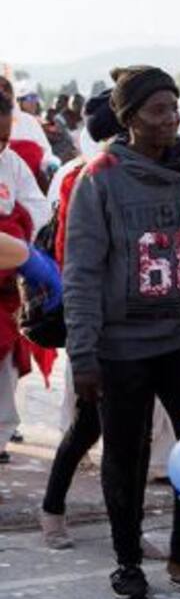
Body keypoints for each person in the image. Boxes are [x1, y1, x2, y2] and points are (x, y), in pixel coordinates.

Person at [64, 65, 180, 599]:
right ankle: (127, 560)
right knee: (126, 454)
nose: (170, 120)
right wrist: (84, 354)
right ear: (130, 116)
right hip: (122, 347)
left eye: (173, 107)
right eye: (157, 110)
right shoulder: (102, 177)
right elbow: (83, 273)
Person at [38, 90, 125, 545]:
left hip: (136, 321)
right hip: (97, 318)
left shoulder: (149, 169)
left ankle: (124, 528)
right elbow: (72, 256)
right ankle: (53, 510)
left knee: (128, 431)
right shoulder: (84, 175)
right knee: (90, 422)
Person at [0, 89, 52, 464]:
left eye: (4, 137)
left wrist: (17, 235)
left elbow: (36, 210)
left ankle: (1, 434)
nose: (0, 145)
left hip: (5, 283)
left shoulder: (12, 163)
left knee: (4, 363)